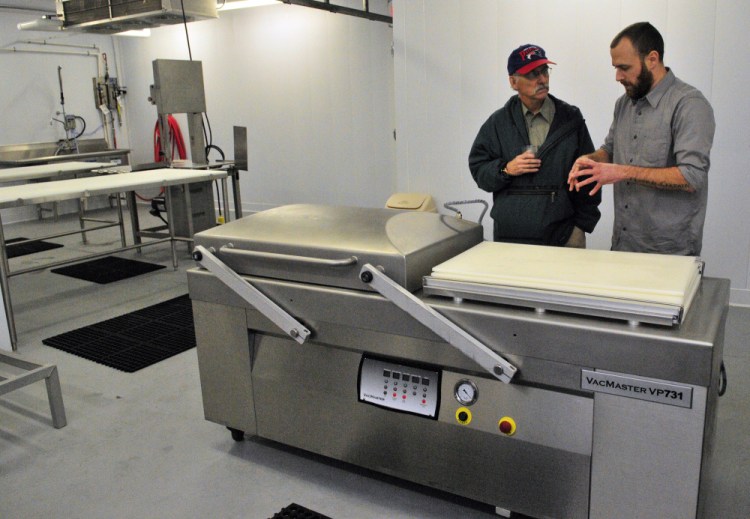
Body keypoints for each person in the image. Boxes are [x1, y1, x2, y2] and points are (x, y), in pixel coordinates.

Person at [568, 22, 715, 256]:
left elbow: (692, 176)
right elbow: (610, 149)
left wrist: (623, 172)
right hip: (624, 244)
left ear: (652, 59)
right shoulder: (624, 103)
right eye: (615, 68)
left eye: (624, 67)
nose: (617, 76)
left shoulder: (689, 105)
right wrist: (590, 159)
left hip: (669, 253)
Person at [469, 44, 601, 247]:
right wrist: (506, 169)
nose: (542, 79)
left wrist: (581, 225)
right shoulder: (498, 123)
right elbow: (479, 171)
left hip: (564, 236)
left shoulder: (570, 119)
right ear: (513, 82)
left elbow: (589, 172)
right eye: (531, 74)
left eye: (544, 71)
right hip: (510, 240)